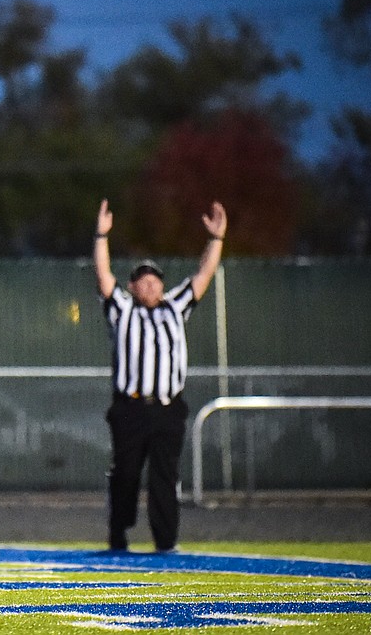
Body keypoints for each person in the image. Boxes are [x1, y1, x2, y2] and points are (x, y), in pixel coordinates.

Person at [92, 198, 228, 552]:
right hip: (131, 408)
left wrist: (216, 240)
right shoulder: (122, 310)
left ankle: (166, 542)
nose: (150, 285)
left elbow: (203, 276)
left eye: (155, 280)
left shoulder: (175, 306)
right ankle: (118, 532)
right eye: (142, 281)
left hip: (168, 407)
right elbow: (104, 277)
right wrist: (101, 236)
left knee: (165, 477)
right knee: (125, 474)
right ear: (133, 287)